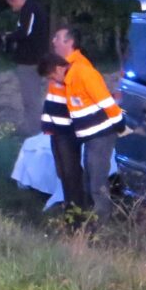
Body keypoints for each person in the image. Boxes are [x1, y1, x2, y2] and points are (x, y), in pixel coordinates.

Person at [51, 27, 124, 224]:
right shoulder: (69, 68)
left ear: (69, 42)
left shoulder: (82, 70)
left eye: (57, 38)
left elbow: (105, 100)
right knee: (89, 179)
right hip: (89, 134)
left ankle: (102, 227)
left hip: (100, 134)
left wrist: (119, 123)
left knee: (96, 182)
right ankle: (89, 223)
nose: (53, 41)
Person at [38, 52, 89, 218]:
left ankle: (77, 212)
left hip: (68, 132)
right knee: (64, 172)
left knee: (71, 172)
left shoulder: (77, 73)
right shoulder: (59, 77)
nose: (51, 80)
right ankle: (71, 209)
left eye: (51, 76)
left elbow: (78, 103)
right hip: (58, 131)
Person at [6, 0, 50, 136]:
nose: (13, 8)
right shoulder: (32, 8)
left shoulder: (29, 9)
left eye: (12, 4)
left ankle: (34, 131)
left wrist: (9, 37)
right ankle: (31, 127)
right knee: (31, 97)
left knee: (31, 98)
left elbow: (25, 32)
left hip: (30, 60)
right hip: (33, 58)